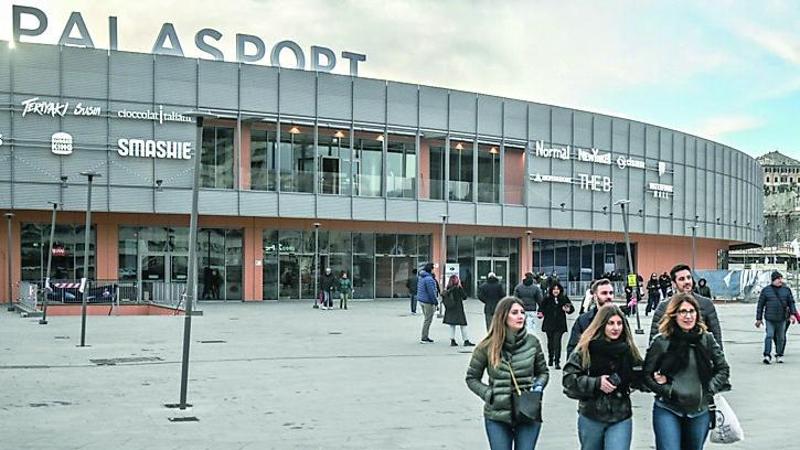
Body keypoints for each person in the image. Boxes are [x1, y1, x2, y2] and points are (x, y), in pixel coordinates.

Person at [643, 293, 731, 450]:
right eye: (683, 311)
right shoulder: (661, 341)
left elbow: (723, 369)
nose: (688, 316)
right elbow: (646, 374)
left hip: (699, 409)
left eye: (692, 311)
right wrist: (666, 390)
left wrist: (709, 389)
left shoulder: (706, 339)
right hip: (668, 408)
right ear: (674, 315)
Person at [466, 297, 550, 449]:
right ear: (503, 316)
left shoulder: (532, 343)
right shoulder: (487, 346)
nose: (520, 316)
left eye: (522, 312)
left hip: (527, 411)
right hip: (497, 414)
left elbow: (543, 372)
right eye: (514, 313)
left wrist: (538, 386)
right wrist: (488, 393)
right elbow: (472, 378)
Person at [562, 305, 643, 450]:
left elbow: (640, 376)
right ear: (601, 325)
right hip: (591, 414)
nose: (616, 328)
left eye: (619, 323)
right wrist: (596, 383)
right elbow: (569, 379)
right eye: (610, 323)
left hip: (620, 415)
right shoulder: (585, 349)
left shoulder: (628, 350)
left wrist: (652, 378)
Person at [649, 264, 723, 350]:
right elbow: (654, 340)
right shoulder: (664, 307)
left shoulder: (706, 304)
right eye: (681, 279)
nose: (687, 282)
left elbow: (716, 337)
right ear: (674, 284)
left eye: (689, 277)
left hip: (700, 355)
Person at [756, 271, 798, 364]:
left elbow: (791, 303)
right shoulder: (766, 290)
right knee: (769, 335)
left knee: (781, 337)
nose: (780, 280)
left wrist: (792, 314)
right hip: (770, 318)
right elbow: (760, 305)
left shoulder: (786, 290)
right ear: (773, 280)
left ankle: (779, 355)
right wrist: (759, 319)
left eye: (781, 278)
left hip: (782, 318)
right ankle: (767, 355)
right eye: (778, 279)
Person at [567, 279, 615, 356]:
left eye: (611, 293)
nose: (609, 296)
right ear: (595, 296)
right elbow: (573, 350)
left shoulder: (620, 319)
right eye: (604, 293)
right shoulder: (583, 320)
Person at [539, 282, 574, 369]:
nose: (556, 291)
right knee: (550, 342)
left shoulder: (564, 298)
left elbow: (571, 309)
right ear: (551, 290)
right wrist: (541, 313)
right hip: (549, 324)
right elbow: (541, 309)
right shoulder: (547, 298)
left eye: (557, 289)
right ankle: (550, 358)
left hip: (559, 324)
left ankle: (557, 361)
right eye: (554, 289)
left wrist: (568, 309)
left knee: (557, 342)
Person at [442, 275, 475, 347]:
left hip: (450, 309)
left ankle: (452, 340)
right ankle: (466, 340)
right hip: (458, 309)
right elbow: (465, 297)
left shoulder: (447, 288)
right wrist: (461, 287)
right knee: (463, 325)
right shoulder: (458, 288)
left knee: (452, 325)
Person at [417, 263, 439, 343]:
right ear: (431, 269)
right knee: (428, 320)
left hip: (422, 300)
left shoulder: (421, 277)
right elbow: (431, 292)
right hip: (427, 301)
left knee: (426, 318)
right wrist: (435, 302)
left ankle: (425, 336)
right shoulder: (429, 279)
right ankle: (424, 337)